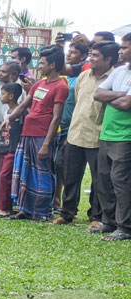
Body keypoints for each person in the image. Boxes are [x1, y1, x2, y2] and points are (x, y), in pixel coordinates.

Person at [52, 42, 116, 226]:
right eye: (91, 55)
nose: (91, 59)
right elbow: (79, 101)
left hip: (97, 136)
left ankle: (96, 216)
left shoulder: (113, 78)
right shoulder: (83, 76)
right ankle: (67, 213)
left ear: (108, 59)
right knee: (70, 176)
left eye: (95, 55)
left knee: (99, 181)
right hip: (75, 134)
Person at [6, 45, 67, 221]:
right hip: (28, 132)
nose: (39, 66)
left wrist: (47, 143)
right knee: (25, 171)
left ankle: (41, 212)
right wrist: (8, 119)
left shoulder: (60, 86)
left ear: (53, 65)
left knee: (42, 172)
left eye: (42, 63)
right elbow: (24, 105)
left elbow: (56, 118)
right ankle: (25, 209)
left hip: (43, 135)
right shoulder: (39, 83)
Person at [93, 32, 131, 240]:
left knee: (121, 181)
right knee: (104, 179)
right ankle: (109, 222)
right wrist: (120, 95)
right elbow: (98, 94)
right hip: (107, 133)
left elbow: (127, 105)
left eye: (124, 47)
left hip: (126, 137)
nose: (120, 51)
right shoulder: (119, 72)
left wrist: (112, 97)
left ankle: (124, 227)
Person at [0, 83, 24, 218]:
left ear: (11, 96)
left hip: (13, 148)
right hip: (4, 147)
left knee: (5, 177)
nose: (1, 97)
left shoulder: (19, 111)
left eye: (3, 94)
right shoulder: (6, 111)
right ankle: (5, 206)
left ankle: (5, 207)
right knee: (2, 176)